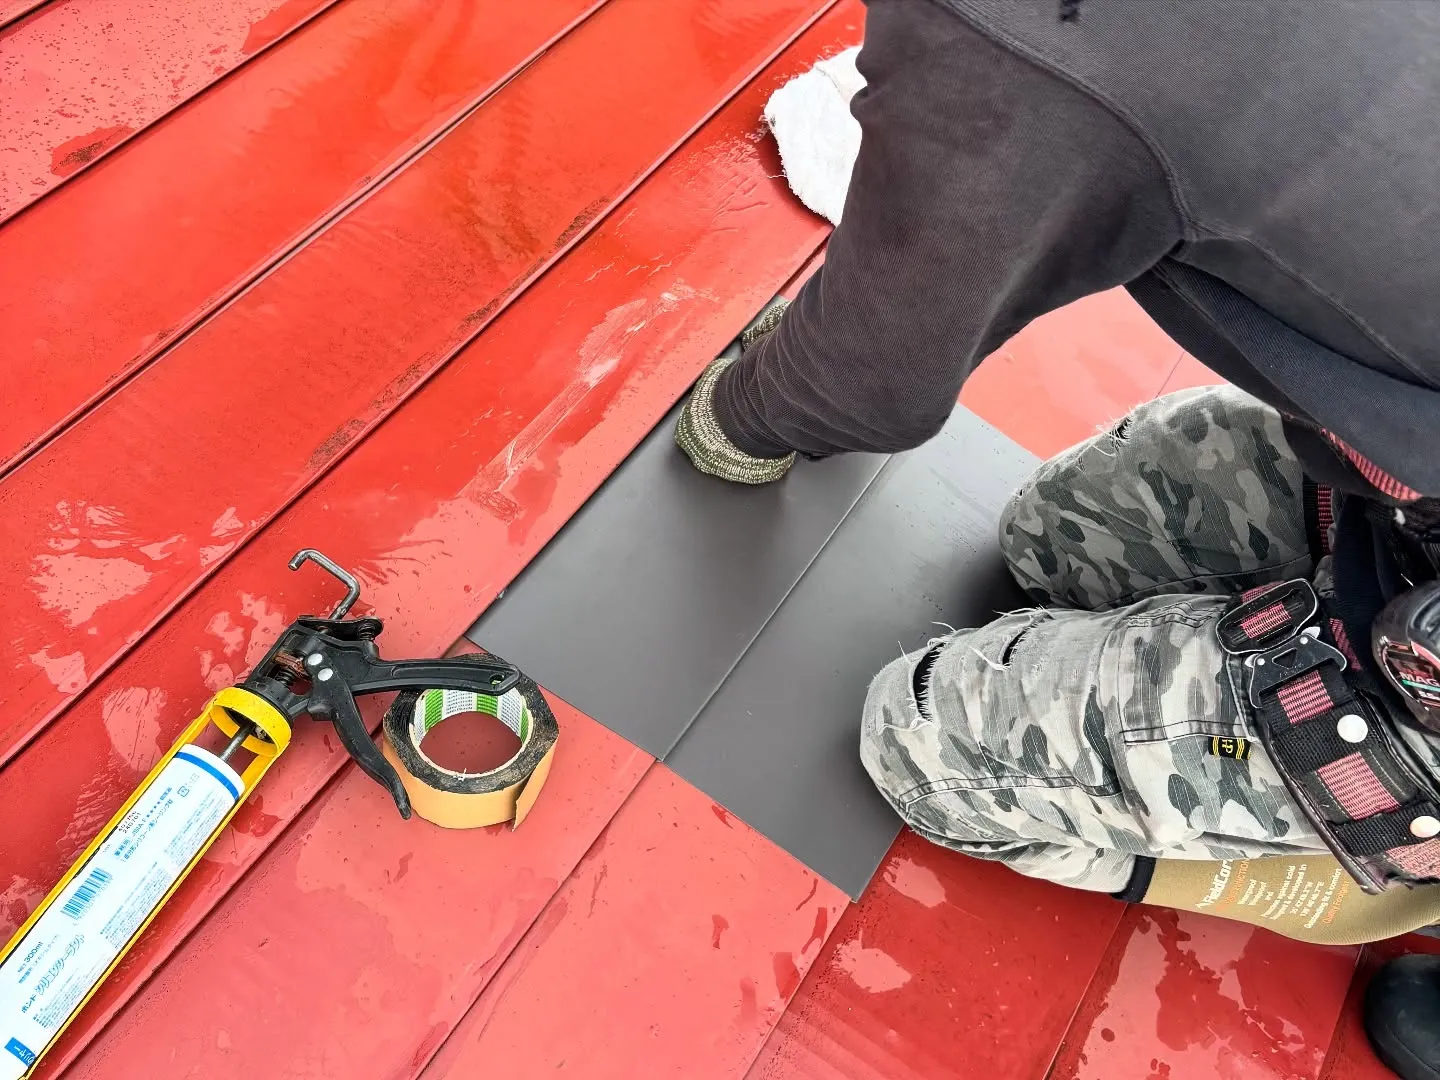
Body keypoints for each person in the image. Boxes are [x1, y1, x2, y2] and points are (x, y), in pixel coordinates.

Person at [675, 1, 1440, 1075]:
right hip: (1402, 497)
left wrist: (732, 420)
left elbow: (868, 388)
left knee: (924, 739)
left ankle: (1354, 872)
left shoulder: (1016, 33)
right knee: (1059, 536)